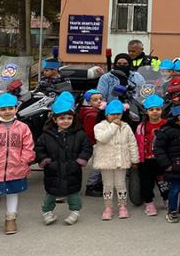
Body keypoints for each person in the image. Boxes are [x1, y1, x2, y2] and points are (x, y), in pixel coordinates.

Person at [0, 93, 35, 237]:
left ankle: (11, 219)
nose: (7, 111)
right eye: (3, 109)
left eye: (10, 108)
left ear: (16, 109)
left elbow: (28, 146)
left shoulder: (23, 128)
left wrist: (24, 160)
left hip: (16, 167)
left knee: (12, 193)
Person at [35, 92, 93, 226]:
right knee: (51, 193)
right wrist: (45, 160)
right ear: (55, 120)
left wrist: (80, 160)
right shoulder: (46, 135)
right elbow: (39, 148)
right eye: (61, 118)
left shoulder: (80, 134)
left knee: (73, 193)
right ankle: (47, 212)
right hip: (53, 170)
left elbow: (87, 148)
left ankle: (75, 212)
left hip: (72, 169)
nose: (65, 121)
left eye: (69, 118)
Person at [93, 100, 139, 220]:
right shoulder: (99, 126)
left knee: (120, 184)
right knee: (107, 185)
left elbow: (132, 144)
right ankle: (108, 207)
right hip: (106, 162)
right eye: (112, 114)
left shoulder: (126, 127)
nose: (116, 116)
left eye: (118, 114)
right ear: (106, 114)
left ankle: (122, 206)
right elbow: (102, 138)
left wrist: (135, 160)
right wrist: (114, 126)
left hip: (121, 161)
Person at [136, 94, 168, 216]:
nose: (155, 112)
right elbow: (138, 143)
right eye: (151, 110)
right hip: (146, 160)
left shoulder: (166, 125)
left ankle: (167, 199)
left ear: (161, 110)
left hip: (162, 160)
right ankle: (149, 203)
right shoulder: (142, 127)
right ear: (146, 111)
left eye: (157, 109)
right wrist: (137, 159)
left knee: (164, 181)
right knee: (146, 183)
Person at [80, 89, 104, 197]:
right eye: (95, 100)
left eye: (100, 99)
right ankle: (91, 185)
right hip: (94, 143)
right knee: (98, 164)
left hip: (93, 142)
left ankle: (97, 183)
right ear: (89, 102)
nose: (99, 101)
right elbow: (90, 131)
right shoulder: (92, 115)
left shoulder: (94, 112)